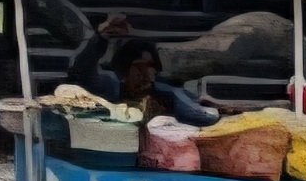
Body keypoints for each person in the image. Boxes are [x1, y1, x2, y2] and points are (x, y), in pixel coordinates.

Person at [64, 13, 217, 128]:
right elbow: (80, 71)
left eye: (151, 66)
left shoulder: (167, 96)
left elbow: (205, 116)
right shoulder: (109, 87)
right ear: (123, 70)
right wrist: (101, 37)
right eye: (139, 67)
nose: (147, 73)